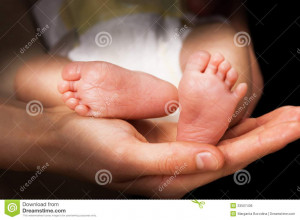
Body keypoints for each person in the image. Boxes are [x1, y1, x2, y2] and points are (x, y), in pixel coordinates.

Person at [0, 0, 299, 198]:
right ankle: (151, 99)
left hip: (114, 55)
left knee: (219, 36)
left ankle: (174, 105)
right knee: (222, 45)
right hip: (125, 60)